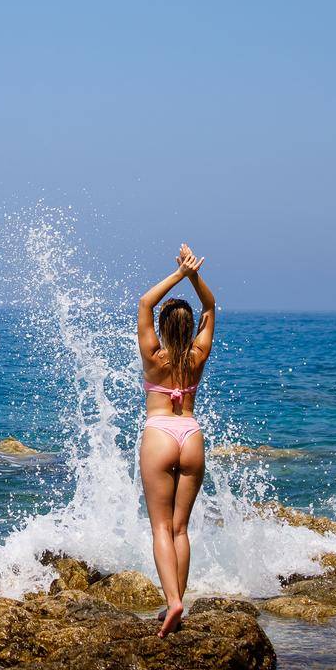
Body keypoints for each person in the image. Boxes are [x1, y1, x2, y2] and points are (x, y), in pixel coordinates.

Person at [137, 242, 215, 636]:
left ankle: (173, 602)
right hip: (191, 435)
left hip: (160, 433)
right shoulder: (198, 355)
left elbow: (146, 303)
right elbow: (210, 308)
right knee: (181, 529)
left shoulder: (155, 355)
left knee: (160, 528)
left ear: (164, 328)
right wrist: (196, 276)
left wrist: (180, 274)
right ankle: (177, 600)